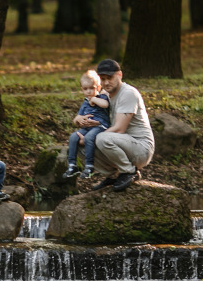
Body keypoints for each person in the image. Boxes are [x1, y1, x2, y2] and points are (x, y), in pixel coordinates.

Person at [91, 58, 155, 192]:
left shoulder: (128, 93)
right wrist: (80, 120)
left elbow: (119, 129)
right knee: (80, 143)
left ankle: (129, 171)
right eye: (102, 79)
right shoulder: (104, 96)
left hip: (141, 148)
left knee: (102, 138)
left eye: (110, 77)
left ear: (119, 75)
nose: (106, 82)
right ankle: (113, 175)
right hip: (121, 144)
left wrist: (94, 136)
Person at [62, 70, 111, 180]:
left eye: (92, 88)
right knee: (73, 137)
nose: (89, 91)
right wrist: (79, 119)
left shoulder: (101, 98)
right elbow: (76, 119)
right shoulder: (85, 102)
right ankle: (72, 165)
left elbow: (105, 105)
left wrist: (94, 99)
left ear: (98, 88)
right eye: (85, 89)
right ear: (82, 90)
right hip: (87, 127)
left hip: (100, 127)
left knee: (89, 138)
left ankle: (89, 166)